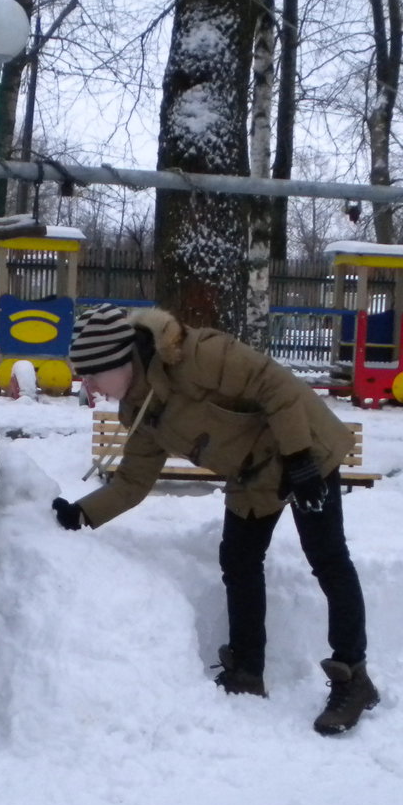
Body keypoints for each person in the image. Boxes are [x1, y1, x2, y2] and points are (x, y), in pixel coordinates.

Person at [52, 302, 378, 736]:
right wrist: (81, 514)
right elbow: (133, 481)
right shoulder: (141, 408)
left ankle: (354, 677)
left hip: (304, 446)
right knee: (239, 559)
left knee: (327, 557)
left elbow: (275, 384)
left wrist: (300, 459)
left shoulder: (195, 354)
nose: (88, 385)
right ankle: (247, 668)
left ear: (118, 360)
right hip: (252, 471)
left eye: (92, 374)